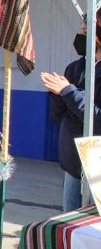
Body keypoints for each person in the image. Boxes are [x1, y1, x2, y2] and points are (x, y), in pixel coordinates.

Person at [42, 13, 101, 212]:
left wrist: (68, 92)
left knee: (93, 226)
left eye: (88, 30)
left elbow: (96, 118)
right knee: (70, 220)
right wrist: (57, 95)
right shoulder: (76, 68)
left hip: (97, 165)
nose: (82, 33)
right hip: (74, 163)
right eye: (82, 29)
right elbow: (58, 115)